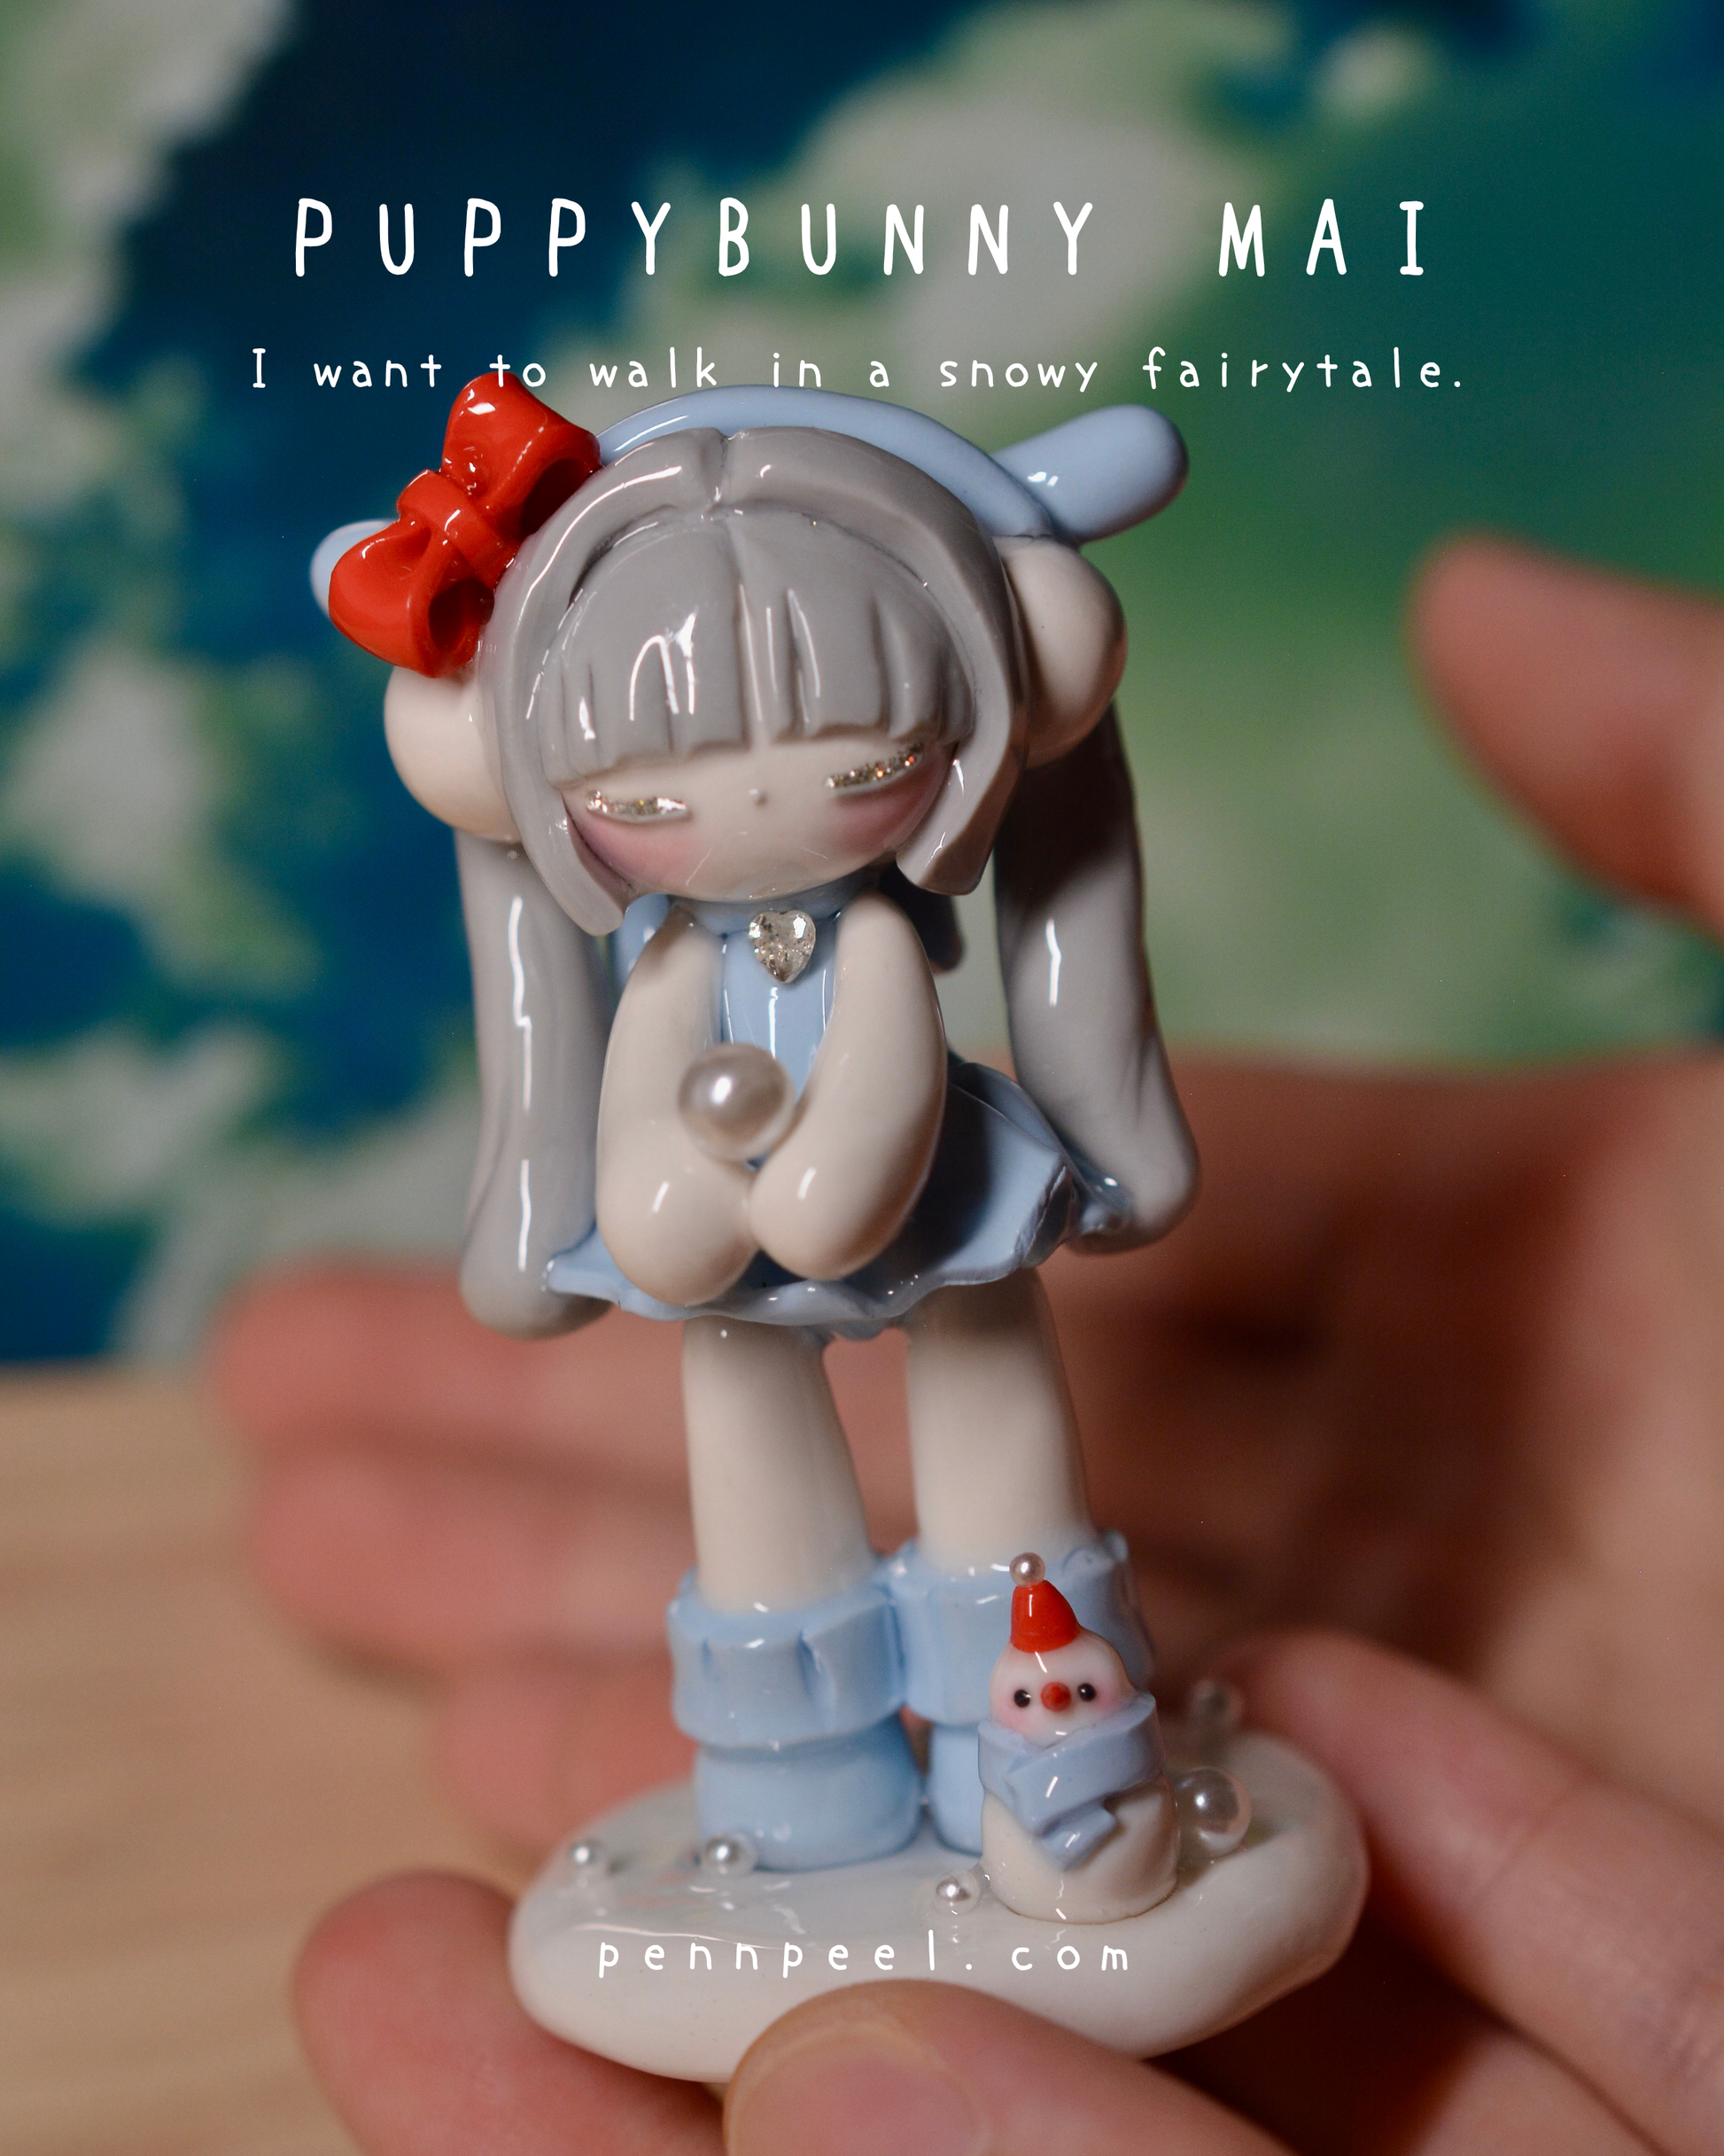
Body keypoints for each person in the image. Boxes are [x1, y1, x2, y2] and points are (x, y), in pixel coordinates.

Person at [214, 535, 1724, 2152]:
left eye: (855, 764)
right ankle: (797, 1781)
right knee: (753, 1477)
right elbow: (644, 1128)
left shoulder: (874, 939)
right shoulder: (670, 966)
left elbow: (878, 1086)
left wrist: (816, 1186)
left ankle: (1022, 1767)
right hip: (728, 1250)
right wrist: (668, 1203)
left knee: (997, 1438)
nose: (755, 811)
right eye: (649, 797)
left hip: (931, 1203)